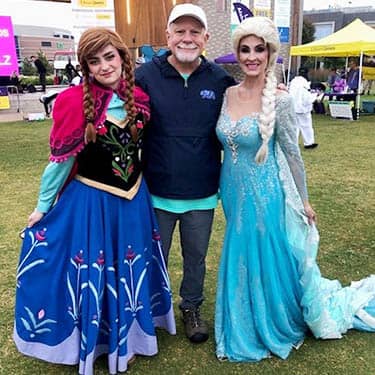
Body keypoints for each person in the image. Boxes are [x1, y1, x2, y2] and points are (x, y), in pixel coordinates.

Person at [14, 28, 175, 374]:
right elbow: (61, 161)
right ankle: (96, 341)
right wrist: (43, 206)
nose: (104, 66)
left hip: (133, 203)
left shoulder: (138, 98)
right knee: (97, 272)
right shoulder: (72, 102)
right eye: (94, 60)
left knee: (128, 269)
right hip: (92, 204)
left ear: (122, 57)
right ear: (85, 66)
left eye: (109, 57)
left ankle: (128, 339)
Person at [214, 16, 375, 363]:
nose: (252, 56)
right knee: (240, 253)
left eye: (259, 49)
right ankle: (242, 314)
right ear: (237, 54)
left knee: (266, 255)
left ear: (270, 54)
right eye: (245, 49)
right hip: (232, 192)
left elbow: (292, 155)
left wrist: (304, 201)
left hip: (266, 193)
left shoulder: (282, 101)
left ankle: (271, 321)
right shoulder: (227, 94)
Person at [135, 3, 236, 343]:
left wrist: (273, 93)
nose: (187, 38)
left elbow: (248, 101)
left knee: (196, 258)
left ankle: (190, 307)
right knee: (154, 258)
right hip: (156, 191)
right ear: (168, 36)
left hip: (202, 192)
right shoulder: (145, 75)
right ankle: (150, 310)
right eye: (180, 31)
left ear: (206, 38)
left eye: (195, 32)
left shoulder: (221, 80)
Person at [289, 74, 318, 149]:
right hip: (302, 109)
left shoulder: (293, 82)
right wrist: (315, 96)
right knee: (306, 126)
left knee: (294, 127)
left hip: (293, 107)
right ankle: (309, 143)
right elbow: (306, 99)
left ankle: (293, 143)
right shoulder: (304, 84)